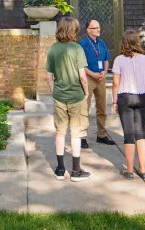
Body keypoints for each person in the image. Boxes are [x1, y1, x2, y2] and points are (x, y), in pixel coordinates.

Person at [46, 17, 91, 182]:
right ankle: (76, 171)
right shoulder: (77, 48)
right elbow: (83, 76)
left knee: (60, 132)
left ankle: (59, 169)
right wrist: (86, 92)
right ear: (74, 30)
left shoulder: (53, 48)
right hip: (76, 96)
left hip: (59, 96)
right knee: (76, 133)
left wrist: (54, 91)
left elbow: (49, 76)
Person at [112, 30, 145, 179]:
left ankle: (129, 170)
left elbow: (116, 83)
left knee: (128, 134)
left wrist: (114, 101)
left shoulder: (119, 60)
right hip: (141, 96)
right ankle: (143, 169)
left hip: (125, 96)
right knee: (140, 133)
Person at [79, 19, 115, 148]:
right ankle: (82, 137)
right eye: (95, 28)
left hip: (101, 78)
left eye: (99, 27)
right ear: (88, 30)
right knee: (85, 108)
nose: (98, 30)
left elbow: (106, 60)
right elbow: (81, 65)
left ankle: (102, 135)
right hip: (88, 78)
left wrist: (105, 72)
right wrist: (92, 74)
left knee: (102, 108)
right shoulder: (82, 44)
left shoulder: (102, 43)